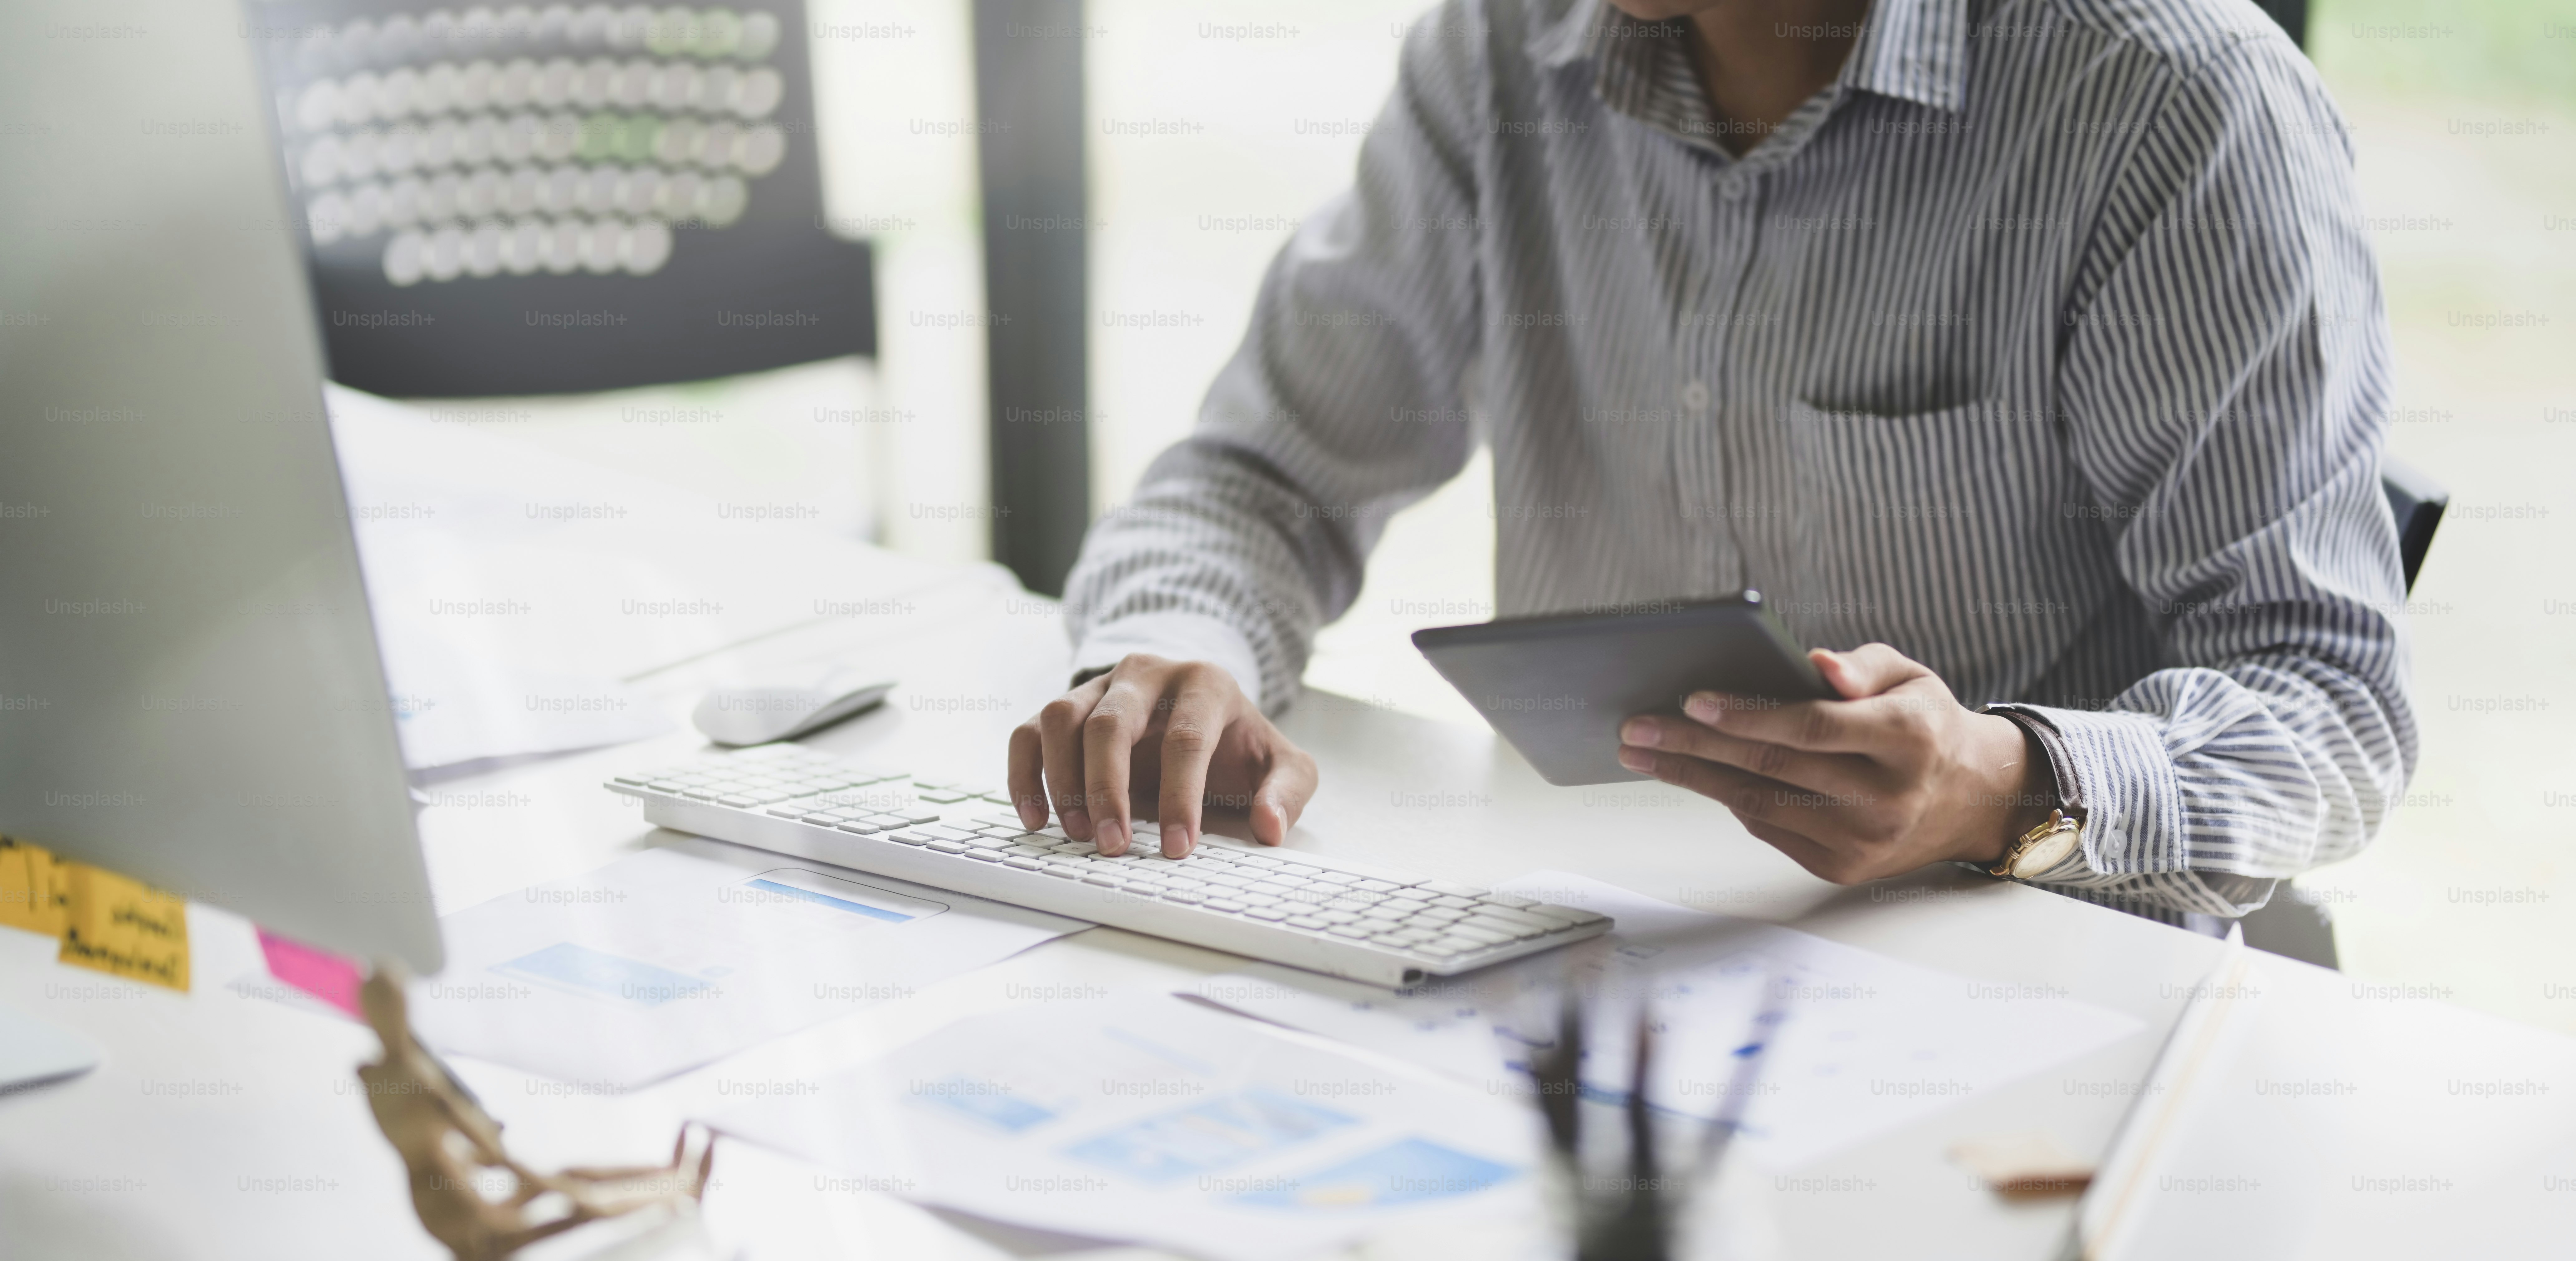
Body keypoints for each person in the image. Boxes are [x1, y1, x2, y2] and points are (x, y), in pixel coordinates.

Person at [1003, 0, 2414, 928]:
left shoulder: (2170, 102)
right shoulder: (1503, 51)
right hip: (1598, 954)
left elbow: (2336, 706)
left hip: (2043, 983)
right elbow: (1260, 478)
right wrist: (1166, 653)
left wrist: (2005, 783)